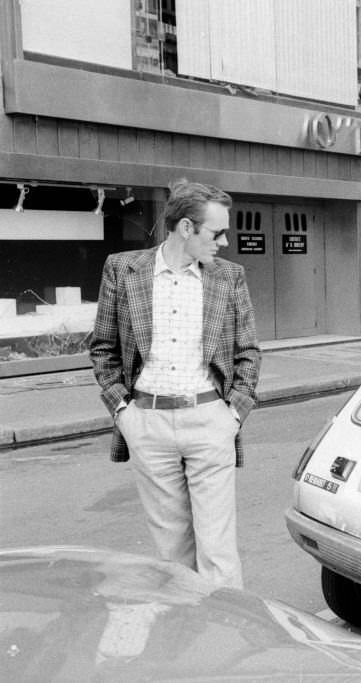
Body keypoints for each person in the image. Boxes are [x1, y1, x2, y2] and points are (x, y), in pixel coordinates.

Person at [90, 179, 260, 589]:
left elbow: (248, 353)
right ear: (186, 228)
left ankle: (223, 638)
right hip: (147, 424)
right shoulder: (123, 269)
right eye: (216, 232)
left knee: (218, 552)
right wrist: (123, 413)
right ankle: (185, 640)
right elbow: (103, 348)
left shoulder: (229, 277)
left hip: (209, 420)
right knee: (172, 554)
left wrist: (232, 415)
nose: (225, 240)